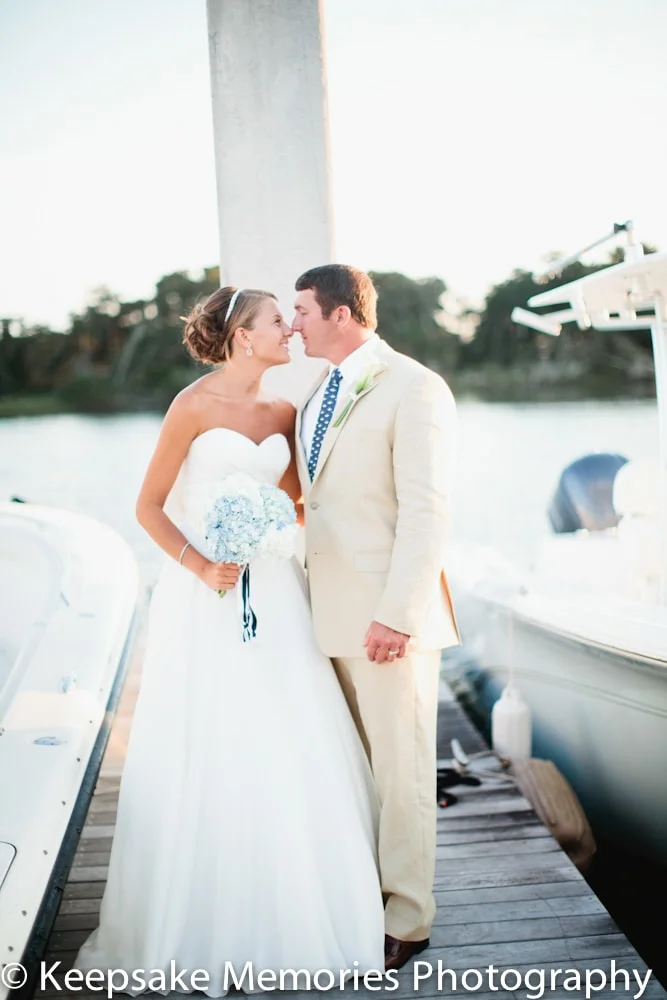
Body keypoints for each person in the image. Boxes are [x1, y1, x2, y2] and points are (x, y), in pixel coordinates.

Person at [73, 286, 385, 994]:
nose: (289, 330)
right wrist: (200, 563)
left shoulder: (285, 412)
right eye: (277, 321)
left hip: (273, 590)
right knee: (214, 731)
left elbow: (298, 502)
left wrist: (271, 522)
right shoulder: (191, 407)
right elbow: (148, 507)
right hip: (205, 595)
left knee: (288, 725)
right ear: (243, 336)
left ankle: (300, 905)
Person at [292, 264, 460, 972]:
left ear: (340, 313)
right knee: (355, 768)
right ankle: (364, 896)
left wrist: (397, 614)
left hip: (388, 621)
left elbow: (427, 512)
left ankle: (409, 917)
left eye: (302, 310)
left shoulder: (414, 387)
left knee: (402, 772)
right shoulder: (316, 392)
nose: (294, 324)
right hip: (323, 614)